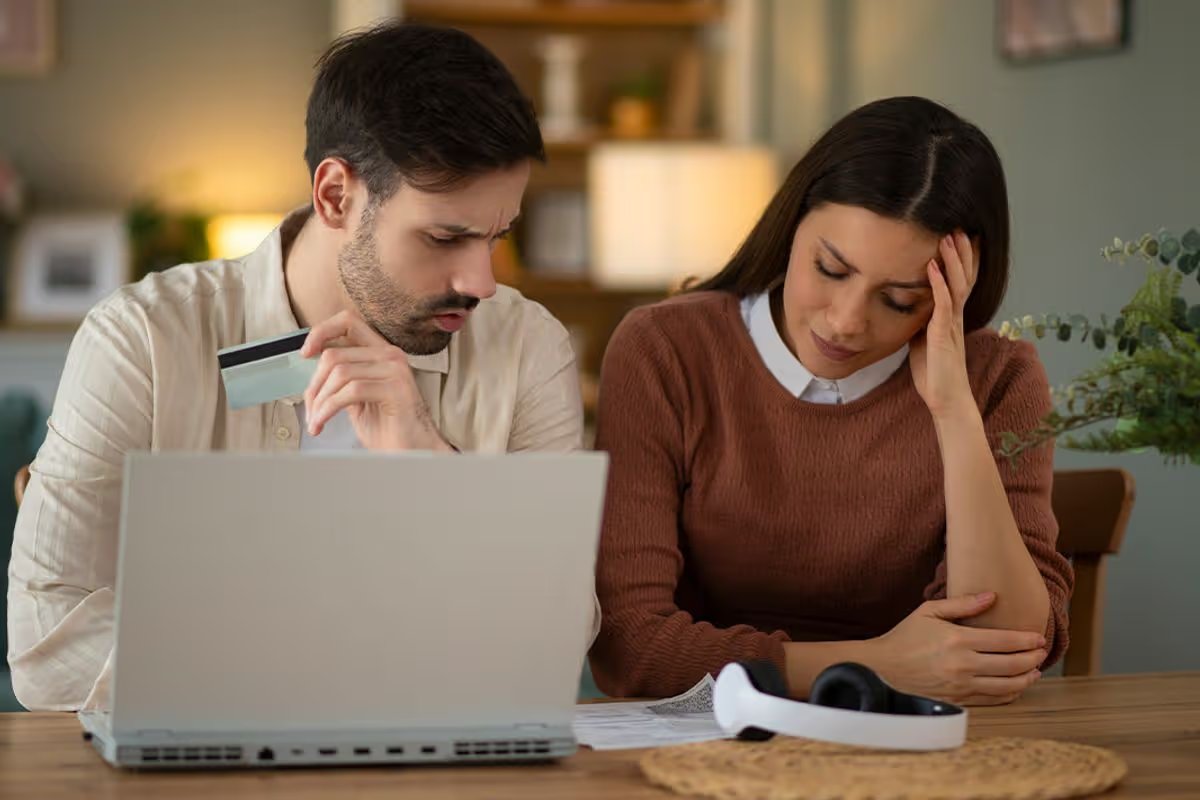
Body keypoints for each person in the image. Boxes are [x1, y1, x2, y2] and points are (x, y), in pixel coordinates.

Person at [9, 22, 594, 711]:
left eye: (496, 237)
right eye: (445, 237)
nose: (482, 282)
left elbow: (557, 642)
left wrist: (433, 469)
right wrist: (326, 678)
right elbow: (46, 650)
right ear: (336, 195)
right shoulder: (141, 340)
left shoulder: (527, 348)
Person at [589, 96, 1073, 706]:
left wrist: (953, 408)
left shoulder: (998, 378)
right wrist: (878, 665)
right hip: (713, 739)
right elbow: (630, 647)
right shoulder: (665, 349)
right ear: (793, 223)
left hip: (923, 743)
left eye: (899, 300)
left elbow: (1000, 649)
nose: (845, 322)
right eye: (830, 269)